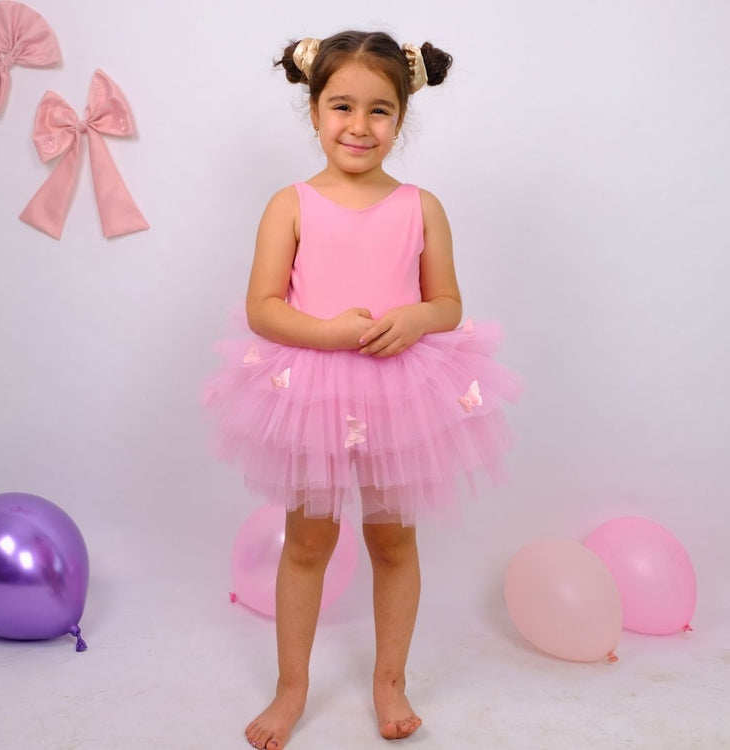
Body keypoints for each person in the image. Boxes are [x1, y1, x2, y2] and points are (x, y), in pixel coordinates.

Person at [204, 30, 522, 749]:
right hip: (313, 388)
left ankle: (390, 680)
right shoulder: (290, 204)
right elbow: (263, 306)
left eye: (379, 111)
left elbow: (448, 304)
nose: (359, 125)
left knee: (393, 541)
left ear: (401, 120)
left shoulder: (421, 205)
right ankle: (292, 688)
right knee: (309, 539)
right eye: (341, 106)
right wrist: (330, 333)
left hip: (399, 391)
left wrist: (415, 318)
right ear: (313, 110)